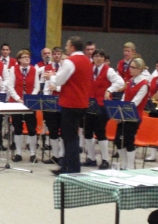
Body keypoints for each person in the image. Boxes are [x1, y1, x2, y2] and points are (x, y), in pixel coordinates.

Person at [46, 37, 92, 175]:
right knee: (70, 135)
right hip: (82, 102)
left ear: (72, 47)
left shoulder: (70, 61)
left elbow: (59, 81)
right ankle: (66, 166)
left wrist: (51, 76)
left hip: (71, 102)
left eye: (67, 45)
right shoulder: (87, 61)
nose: (65, 47)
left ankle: (72, 169)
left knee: (69, 137)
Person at [83, 49, 124, 169]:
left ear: (104, 59)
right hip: (89, 104)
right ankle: (91, 158)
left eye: (101, 56)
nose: (98, 58)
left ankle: (105, 160)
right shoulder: (89, 69)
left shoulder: (108, 70)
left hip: (102, 105)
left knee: (100, 131)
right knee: (87, 132)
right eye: (96, 56)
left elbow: (120, 82)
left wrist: (109, 90)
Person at [6, 49, 40, 163]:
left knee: (32, 127)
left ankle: (32, 153)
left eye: (28, 57)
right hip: (17, 102)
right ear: (19, 59)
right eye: (24, 57)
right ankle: (18, 153)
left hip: (30, 103)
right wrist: (18, 99)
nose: (27, 59)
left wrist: (31, 98)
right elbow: (10, 86)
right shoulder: (13, 69)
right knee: (17, 127)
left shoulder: (34, 70)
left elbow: (37, 86)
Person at [115, 57, 149, 170]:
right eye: (130, 67)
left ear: (140, 69)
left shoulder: (144, 84)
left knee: (129, 142)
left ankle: (129, 167)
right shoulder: (131, 81)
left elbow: (135, 102)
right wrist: (119, 112)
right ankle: (124, 164)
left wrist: (123, 113)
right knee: (118, 141)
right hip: (124, 115)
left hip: (133, 117)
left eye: (133, 67)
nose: (130, 69)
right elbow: (124, 97)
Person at [41, 47, 64, 165]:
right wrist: (47, 98)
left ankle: (63, 155)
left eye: (58, 54)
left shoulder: (65, 69)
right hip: (51, 103)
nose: (56, 56)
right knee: (52, 130)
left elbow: (65, 85)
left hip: (63, 103)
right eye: (54, 54)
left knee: (64, 131)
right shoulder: (48, 68)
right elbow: (46, 85)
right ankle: (55, 155)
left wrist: (57, 88)